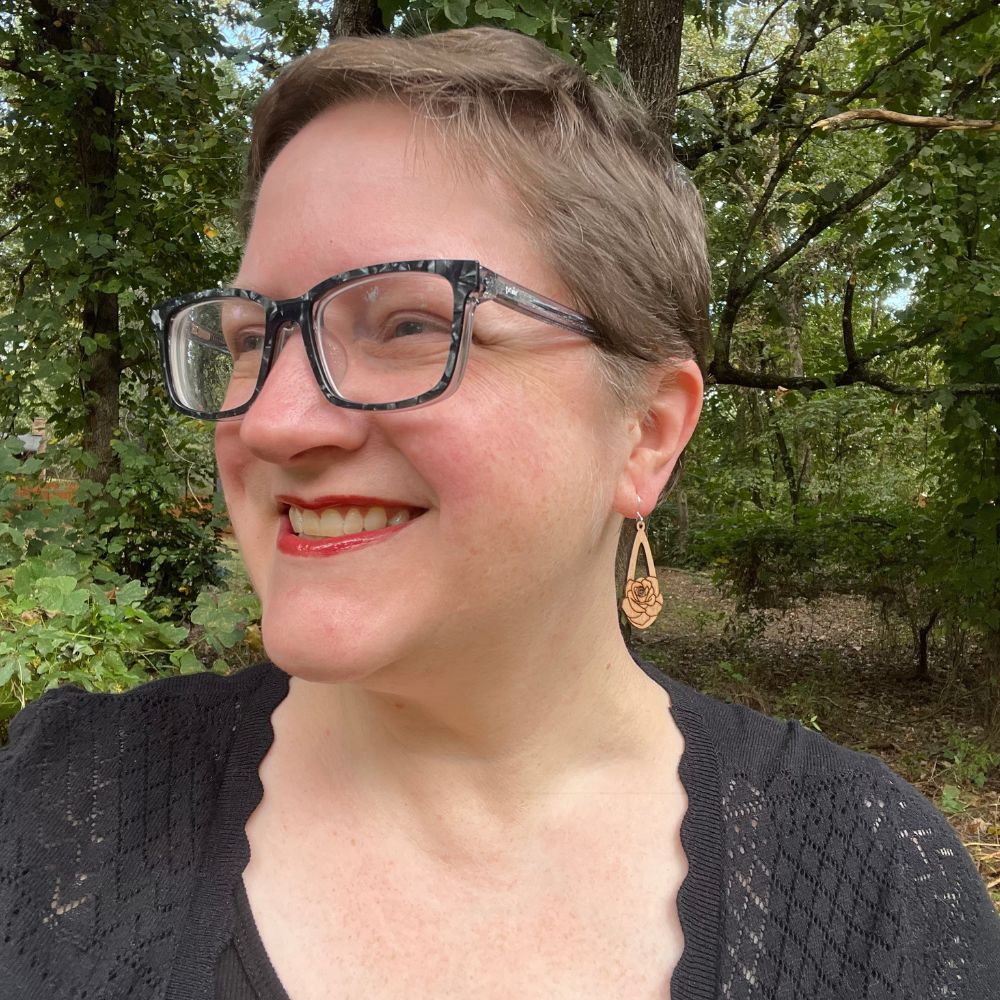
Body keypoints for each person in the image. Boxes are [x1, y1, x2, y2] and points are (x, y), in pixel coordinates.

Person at [1, 26, 998, 1000]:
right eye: (254, 338)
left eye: (406, 323)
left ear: (646, 430)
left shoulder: (879, 893)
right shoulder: (54, 812)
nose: (270, 420)